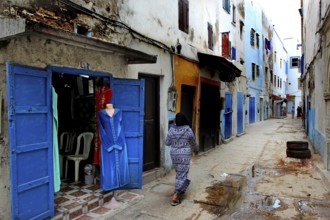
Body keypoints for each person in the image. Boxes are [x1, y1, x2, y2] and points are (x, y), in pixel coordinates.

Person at [165, 112, 199, 206]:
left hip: (174, 155)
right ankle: (176, 195)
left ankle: (180, 190)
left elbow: (167, 142)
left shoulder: (171, 130)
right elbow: (193, 142)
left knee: (179, 173)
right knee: (182, 174)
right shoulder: (188, 130)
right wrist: (196, 150)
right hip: (184, 155)